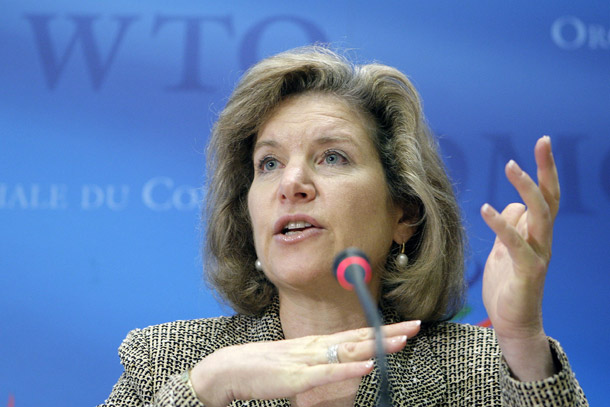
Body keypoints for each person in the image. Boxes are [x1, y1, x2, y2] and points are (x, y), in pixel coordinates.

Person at [99, 46, 587, 406]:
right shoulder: (167, 362)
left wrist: (522, 339)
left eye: (332, 157)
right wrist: (204, 392)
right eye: (268, 164)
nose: (292, 183)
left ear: (404, 212)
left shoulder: (484, 372)